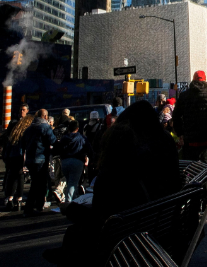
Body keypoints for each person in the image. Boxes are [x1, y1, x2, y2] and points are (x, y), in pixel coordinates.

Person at [45, 101, 184, 265]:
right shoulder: (162, 146)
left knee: (75, 232)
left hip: (125, 239)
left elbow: (102, 219)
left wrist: (71, 209)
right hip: (162, 225)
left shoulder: (118, 171)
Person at [171, 70, 207, 164]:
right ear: (205, 80)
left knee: (191, 170)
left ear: (193, 80)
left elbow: (176, 116)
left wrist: (180, 134)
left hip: (190, 141)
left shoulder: (184, 95)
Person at [21, 109, 57, 216]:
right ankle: (33, 206)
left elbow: (23, 143)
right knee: (39, 183)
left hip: (30, 159)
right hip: (41, 158)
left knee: (36, 182)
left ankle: (37, 205)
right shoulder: (45, 127)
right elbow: (53, 140)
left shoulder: (29, 128)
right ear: (45, 117)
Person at [55, 119, 92, 202]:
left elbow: (58, 149)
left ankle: (74, 200)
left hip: (65, 161)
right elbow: (89, 149)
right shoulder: (82, 138)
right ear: (77, 128)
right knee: (73, 183)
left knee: (69, 182)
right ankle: (69, 201)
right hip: (77, 161)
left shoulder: (64, 138)